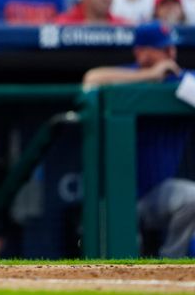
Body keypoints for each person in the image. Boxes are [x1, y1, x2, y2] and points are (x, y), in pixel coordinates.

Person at [83, 21, 195, 257]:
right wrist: (149, 75)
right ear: (141, 52)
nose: (170, 55)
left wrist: (171, 80)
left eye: (172, 49)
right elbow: (91, 78)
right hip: (116, 195)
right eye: (163, 50)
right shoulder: (128, 74)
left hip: (157, 193)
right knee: (119, 253)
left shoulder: (181, 78)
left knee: (192, 198)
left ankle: (171, 263)